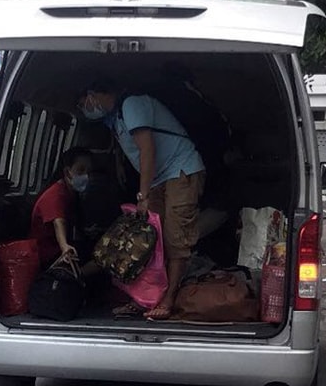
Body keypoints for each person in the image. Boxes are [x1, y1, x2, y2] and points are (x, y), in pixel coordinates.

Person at [79, 78, 207, 319]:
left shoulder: (132, 105)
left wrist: (143, 196)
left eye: (84, 103)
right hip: (160, 177)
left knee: (174, 236)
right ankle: (146, 298)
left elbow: (147, 149)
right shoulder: (115, 119)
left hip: (180, 170)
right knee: (150, 241)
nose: (86, 109)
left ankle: (168, 300)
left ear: (93, 94)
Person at [31, 147, 95, 267]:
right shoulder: (55, 195)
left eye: (89, 172)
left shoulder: (71, 193)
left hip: (60, 249)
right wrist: (64, 246)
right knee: (101, 260)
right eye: (81, 170)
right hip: (49, 256)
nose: (86, 176)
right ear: (67, 172)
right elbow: (58, 222)